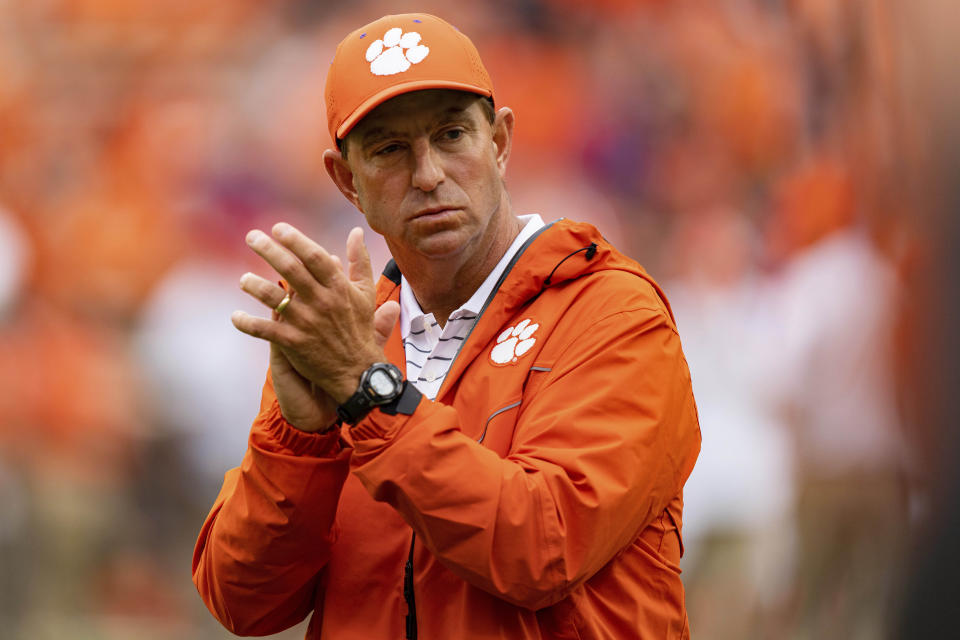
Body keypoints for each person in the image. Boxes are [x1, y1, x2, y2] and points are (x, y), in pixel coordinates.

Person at [192, 13, 701, 639]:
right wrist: (300, 440)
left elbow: (541, 547)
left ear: (501, 142)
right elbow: (244, 600)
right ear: (346, 180)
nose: (429, 174)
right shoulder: (347, 333)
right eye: (389, 149)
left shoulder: (614, 315)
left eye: (452, 135)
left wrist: (368, 394)